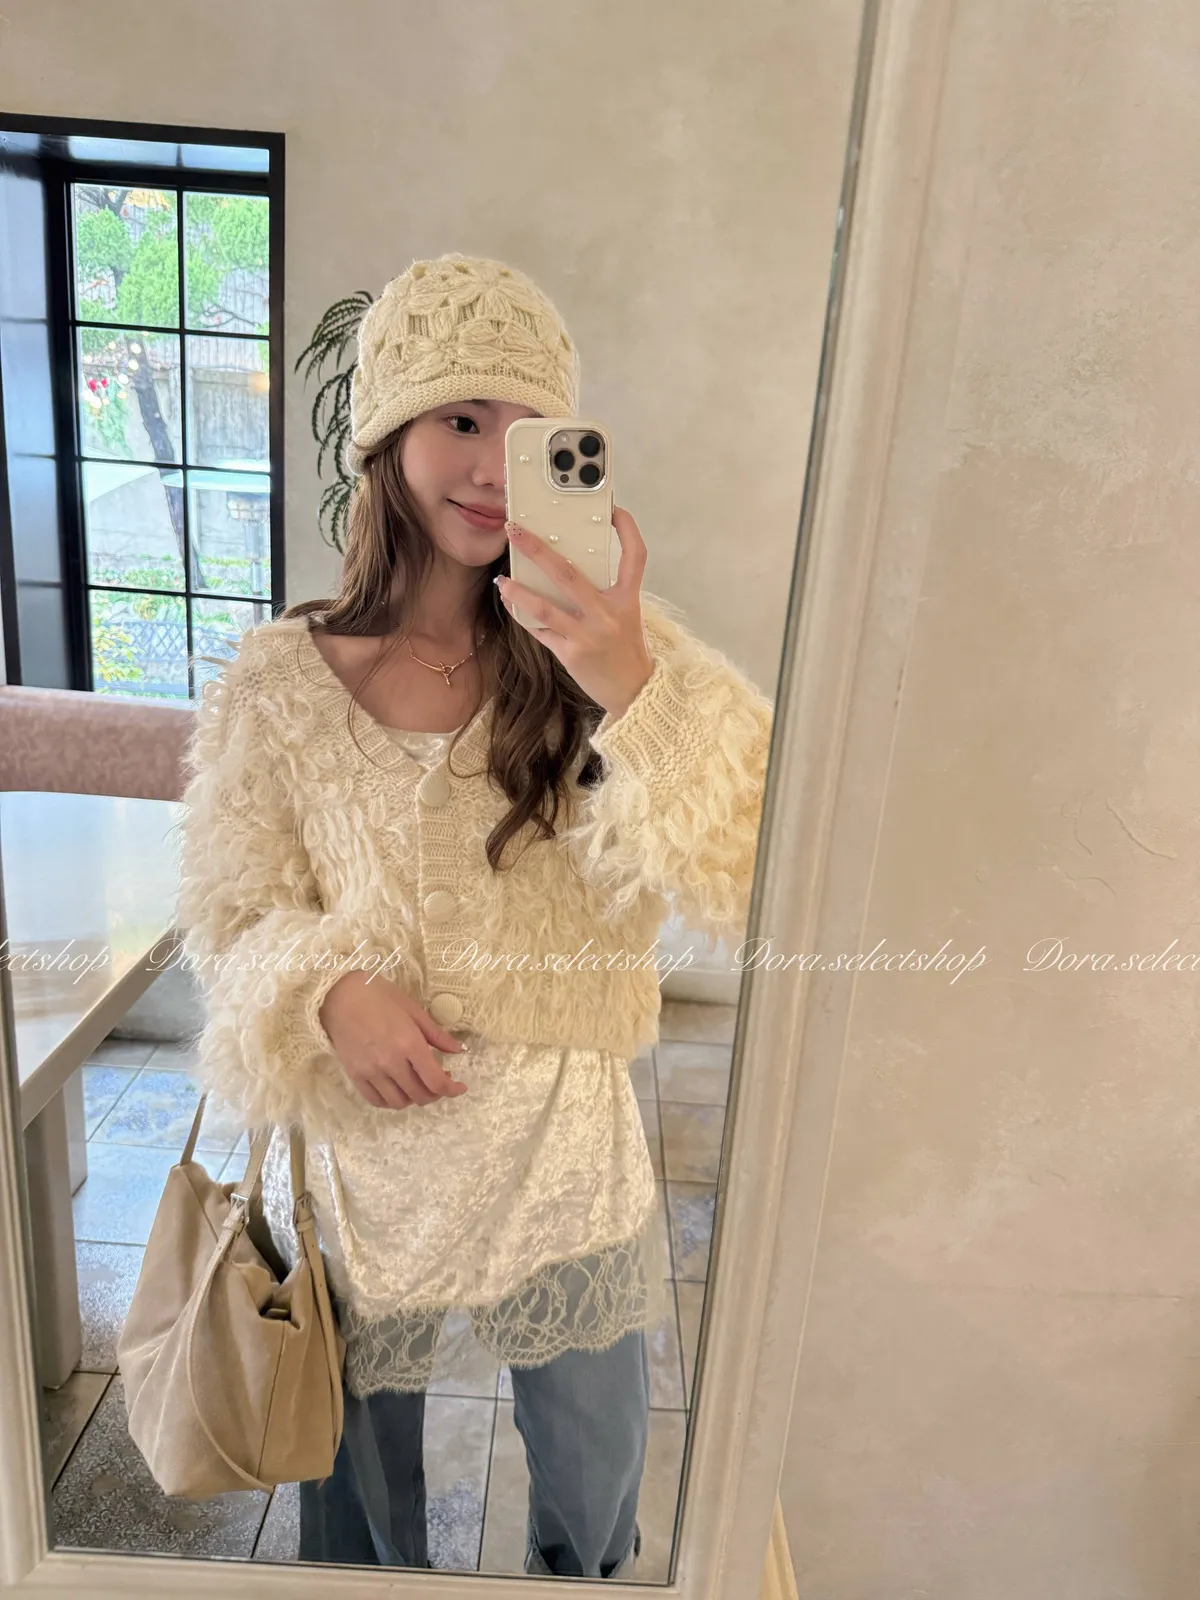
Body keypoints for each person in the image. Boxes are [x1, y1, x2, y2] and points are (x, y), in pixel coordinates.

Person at [174, 252, 774, 1578]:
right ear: (389, 434)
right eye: (461, 418)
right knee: (354, 1488)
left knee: (593, 1483)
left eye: (531, 429)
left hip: (562, 1149)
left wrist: (627, 676)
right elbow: (231, 914)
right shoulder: (277, 679)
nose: (497, 465)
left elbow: (762, 865)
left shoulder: (618, 646)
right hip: (364, 1157)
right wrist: (325, 990)